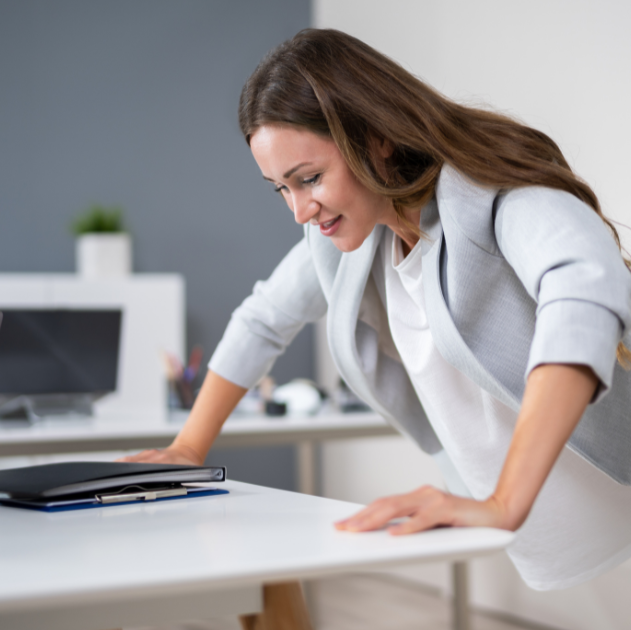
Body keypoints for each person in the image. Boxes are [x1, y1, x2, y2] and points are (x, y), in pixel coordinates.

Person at [123, 29, 631, 591]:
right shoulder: (353, 243)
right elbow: (263, 318)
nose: (298, 210)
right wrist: (189, 446)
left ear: (377, 139)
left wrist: (505, 500)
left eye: (309, 179)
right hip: (550, 531)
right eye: (280, 189)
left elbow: (583, 294)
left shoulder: (499, 201)